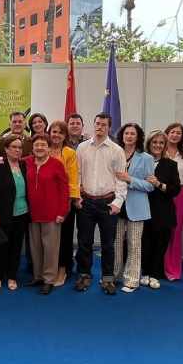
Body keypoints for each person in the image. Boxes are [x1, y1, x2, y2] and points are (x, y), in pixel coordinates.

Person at [74, 113, 127, 295]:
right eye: (97, 123)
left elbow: (121, 179)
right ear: (93, 125)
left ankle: (107, 279)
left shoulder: (117, 150)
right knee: (84, 242)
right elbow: (77, 174)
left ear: (109, 127)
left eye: (104, 125)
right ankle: (84, 275)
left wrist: (118, 202)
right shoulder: (81, 148)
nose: (100, 127)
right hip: (86, 201)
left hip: (108, 202)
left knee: (108, 245)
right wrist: (77, 198)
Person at [25, 133, 70, 295]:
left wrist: (62, 212)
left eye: (43, 145)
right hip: (32, 213)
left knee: (50, 248)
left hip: (52, 214)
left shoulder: (56, 164)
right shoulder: (27, 162)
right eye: (37, 144)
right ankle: (38, 276)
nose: (39, 147)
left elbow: (65, 191)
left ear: (49, 148)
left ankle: (49, 279)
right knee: (35, 247)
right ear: (32, 147)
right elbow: (11, 164)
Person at [113, 123, 155, 293]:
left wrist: (130, 179)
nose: (129, 136)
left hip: (136, 207)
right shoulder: (115, 154)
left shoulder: (146, 158)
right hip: (116, 204)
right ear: (122, 135)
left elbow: (150, 186)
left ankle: (131, 279)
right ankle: (114, 275)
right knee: (115, 243)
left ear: (138, 137)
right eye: (126, 133)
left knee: (134, 244)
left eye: (133, 134)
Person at [0, 134, 29, 291]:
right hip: (3, 215)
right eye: (14, 147)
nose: (17, 150)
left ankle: (12, 276)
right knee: (1, 247)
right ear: (6, 149)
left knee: (16, 247)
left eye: (19, 147)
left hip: (22, 213)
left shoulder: (24, 165)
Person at [140, 130, 181, 288]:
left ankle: (156, 275)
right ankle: (145, 273)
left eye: (161, 143)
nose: (157, 145)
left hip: (163, 211)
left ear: (164, 146)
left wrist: (159, 184)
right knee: (145, 243)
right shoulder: (141, 161)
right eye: (154, 142)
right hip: (143, 209)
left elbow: (175, 190)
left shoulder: (171, 164)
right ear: (149, 144)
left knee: (160, 244)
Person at [47, 120, 80, 284]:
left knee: (64, 237)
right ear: (49, 133)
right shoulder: (43, 149)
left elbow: (73, 178)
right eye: (54, 131)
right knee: (49, 237)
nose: (57, 135)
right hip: (46, 201)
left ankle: (62, 269)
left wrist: (70, 200)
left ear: (65, 135)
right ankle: (48, 269)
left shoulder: (69, 153)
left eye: (60, 132)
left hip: (63, 201)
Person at [163, 122, 183, 281]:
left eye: (178, 133)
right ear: (167, 133)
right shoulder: (159, 150)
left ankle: (173, 268)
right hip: (162, 193)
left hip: (180, 193)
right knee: (161, 229)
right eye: (172, 131)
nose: (175, 135)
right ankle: (158, 266)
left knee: (176, 230)